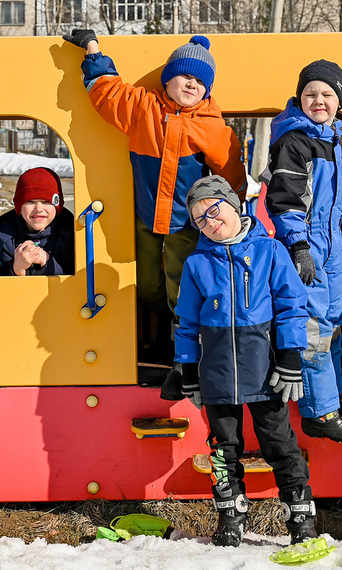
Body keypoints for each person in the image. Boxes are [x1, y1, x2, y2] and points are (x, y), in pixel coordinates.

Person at [69, 29, 244, 376]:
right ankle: (157, 324)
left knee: (182, 286)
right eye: (185, 76)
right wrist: (92, 50)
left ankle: (182, 355)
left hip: (187, 224)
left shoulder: (211, 125)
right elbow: (108, 93)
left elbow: (231, 173)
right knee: (147, 282)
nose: (192, 85)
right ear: (167, 79)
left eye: (200, 82)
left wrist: (234, 217)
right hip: (145, 216)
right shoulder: (144, 107)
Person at [166, 175, 316, 550]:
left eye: (214, 210)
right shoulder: (197, 263)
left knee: (280, 445)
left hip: (264, 370)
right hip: (217, 374)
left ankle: (301, 519)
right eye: (200, 218)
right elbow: (187, 322)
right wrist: (188, 370)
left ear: (234, 205)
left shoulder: (270, 251)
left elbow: (292, 307)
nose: (210, 221)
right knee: (223, 449)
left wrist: (290, 357)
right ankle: (231, 518)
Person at [267, 60, 342, 442]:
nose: (319, 100)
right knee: (314, 326)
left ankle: (332, 397)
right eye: (310, 94)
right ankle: (318, 412)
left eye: (327, 94)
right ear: (299, 99)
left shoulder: (333, 137)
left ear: (339, 100)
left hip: (332, 244)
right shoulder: (295, 141)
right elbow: (285, 200)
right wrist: (298, 246)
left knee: (333, 323)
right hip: (308, 243)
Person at [0, 166, 77, 277]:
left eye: (46, 202)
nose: (38, 209)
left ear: (57, 207)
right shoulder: (6, 235)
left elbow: (75, 278)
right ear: (19, 208)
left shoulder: (69, 234)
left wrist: (47, 261)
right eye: (30, 201)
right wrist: (17, 269)